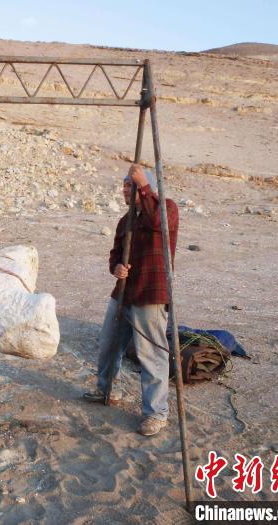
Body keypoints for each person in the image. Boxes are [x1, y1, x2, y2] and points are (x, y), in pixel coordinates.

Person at [83, 164, 179, 436]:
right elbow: (115, 253)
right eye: (124, 185)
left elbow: (157, 223)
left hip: (150, 293)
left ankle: (156, 413)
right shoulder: (125, 220)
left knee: (151, 355)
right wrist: (116, 268)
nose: (124, 189)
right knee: (108, 344)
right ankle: (107, 390)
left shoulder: (166, 208)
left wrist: (144, 186)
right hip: (123, 293)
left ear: (144, 186)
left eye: (130, 184)